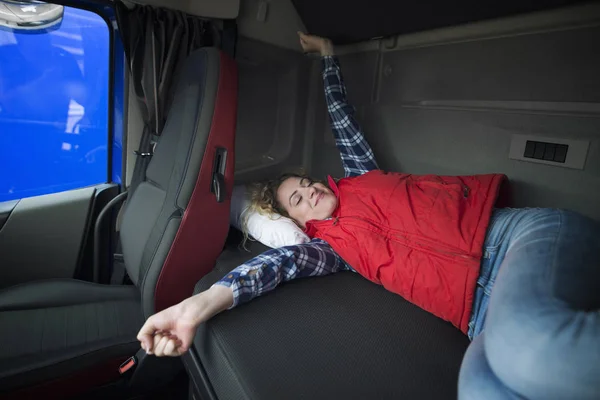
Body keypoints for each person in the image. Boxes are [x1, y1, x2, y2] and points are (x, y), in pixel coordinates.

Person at [137, 32, 600, 400]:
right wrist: (191, 308)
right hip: (478, 312)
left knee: (529, 355)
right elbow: (269, 269)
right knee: (481, 390)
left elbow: (342, 118)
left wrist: (329, 56)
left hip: (513, 239)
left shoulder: (360, 177)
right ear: (296, 223)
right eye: (297, 200)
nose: (310, 191)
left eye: (305, 184)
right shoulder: (327, 250)